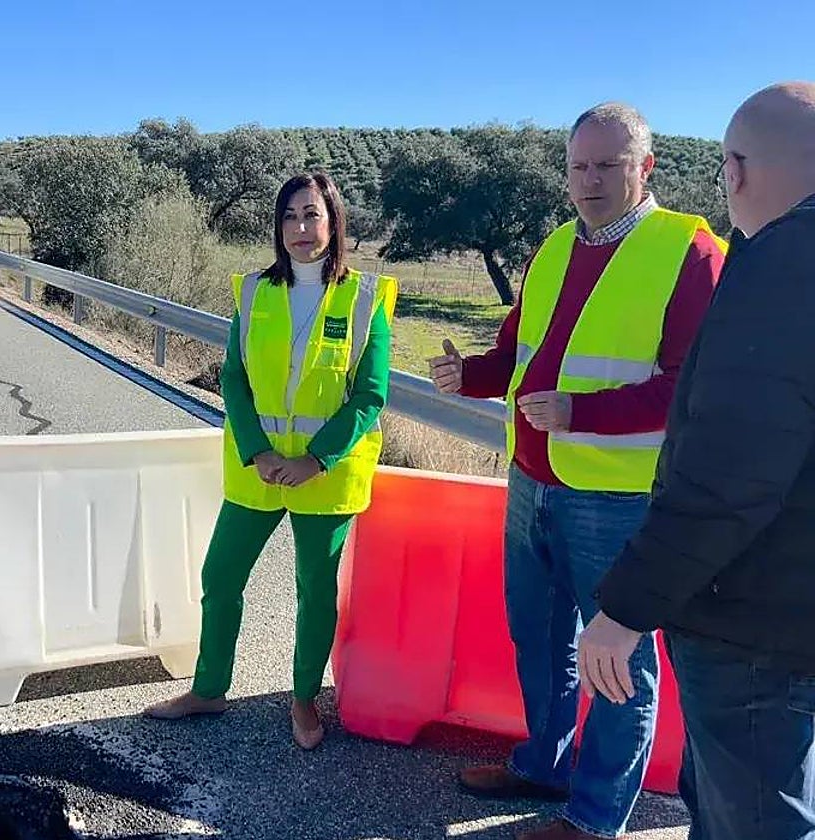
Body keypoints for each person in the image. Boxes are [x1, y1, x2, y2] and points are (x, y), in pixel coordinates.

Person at [429, 103, 726, 840]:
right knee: (541, 638)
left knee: (617, 665)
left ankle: (594, 820)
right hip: (532, 483)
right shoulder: (554, 246)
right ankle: (543, 764)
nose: (589, 180)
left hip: (618, 499)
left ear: (645, 168)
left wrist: (581, 414)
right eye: (578, 166)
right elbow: (515, 357)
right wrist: (466, 375)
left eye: (608, 165)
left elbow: (692, 387)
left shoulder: (690, 251)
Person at [580, 81, 815, 840]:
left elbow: (729, 477)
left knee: (753, 820)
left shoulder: (780, 266)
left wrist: (625, 608)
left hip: (757, 622)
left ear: (736, 171)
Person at [144, 172, 396, 749]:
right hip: (258, 467)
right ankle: (208, 689)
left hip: (322, 474)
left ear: (333, 222)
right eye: (289, 217)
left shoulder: (362, 298)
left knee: (315, 589)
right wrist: (257, 450)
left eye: (312, 215)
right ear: (277, 227)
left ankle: (304, 698)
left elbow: (370, 394)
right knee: (221, 576)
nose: (301, 229)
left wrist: (317, 459)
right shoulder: (255, 291)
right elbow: (234, 377)